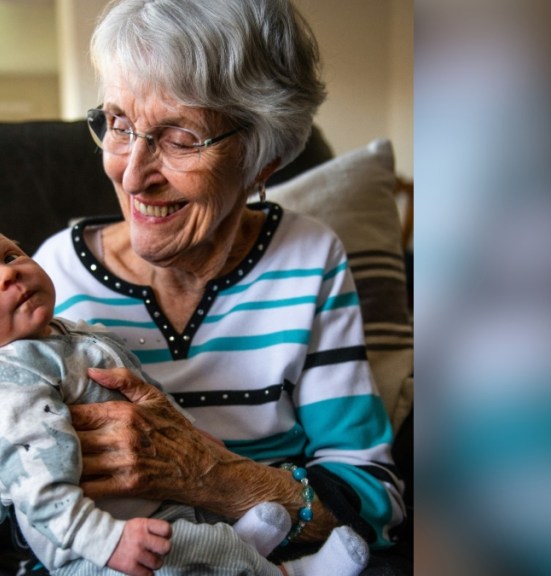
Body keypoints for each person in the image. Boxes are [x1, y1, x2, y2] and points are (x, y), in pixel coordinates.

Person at [21, 0, 406, 569]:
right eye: (119, 124)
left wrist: (210, 476)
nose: (132, 175)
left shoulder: (308, 257)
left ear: (262, 159)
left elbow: (372, 503)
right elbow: (27, 497)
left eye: (180, 138)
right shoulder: (50, 277)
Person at [0, 224, 370, 576]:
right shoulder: (6, 380)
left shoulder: (65, 335)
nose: (6, 274)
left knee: (184, 544)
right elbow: (35, 482)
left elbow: (142, 394)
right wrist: (106, 542)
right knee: (171, 556)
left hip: (151, 511)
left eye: (10, 254)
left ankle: (242, 550)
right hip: (95, 549)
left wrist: (196, 443)